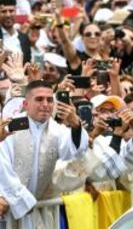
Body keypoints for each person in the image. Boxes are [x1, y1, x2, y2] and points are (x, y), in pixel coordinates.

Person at [0, 80, 88, 227]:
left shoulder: (57, 130)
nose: (45, 104)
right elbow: (2, 166)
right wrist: (18, 199)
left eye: (49, 100)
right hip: (7, 206)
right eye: (39, 99)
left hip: (37, 208)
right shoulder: (9, 126)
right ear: (26, 104)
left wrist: (76, 125)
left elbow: (74, 152)